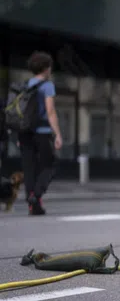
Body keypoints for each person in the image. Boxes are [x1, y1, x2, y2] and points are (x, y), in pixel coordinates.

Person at [18, 51, 63, 215]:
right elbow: (50, 111)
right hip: (42, 132)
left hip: (24, 132)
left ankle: (33, 205)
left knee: (29, 168)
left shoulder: (25, 85)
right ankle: (36, 195)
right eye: (50, 66)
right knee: (49, 165)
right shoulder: (47, 85)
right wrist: (57, 134)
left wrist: (20, 132)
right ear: (45, 68)